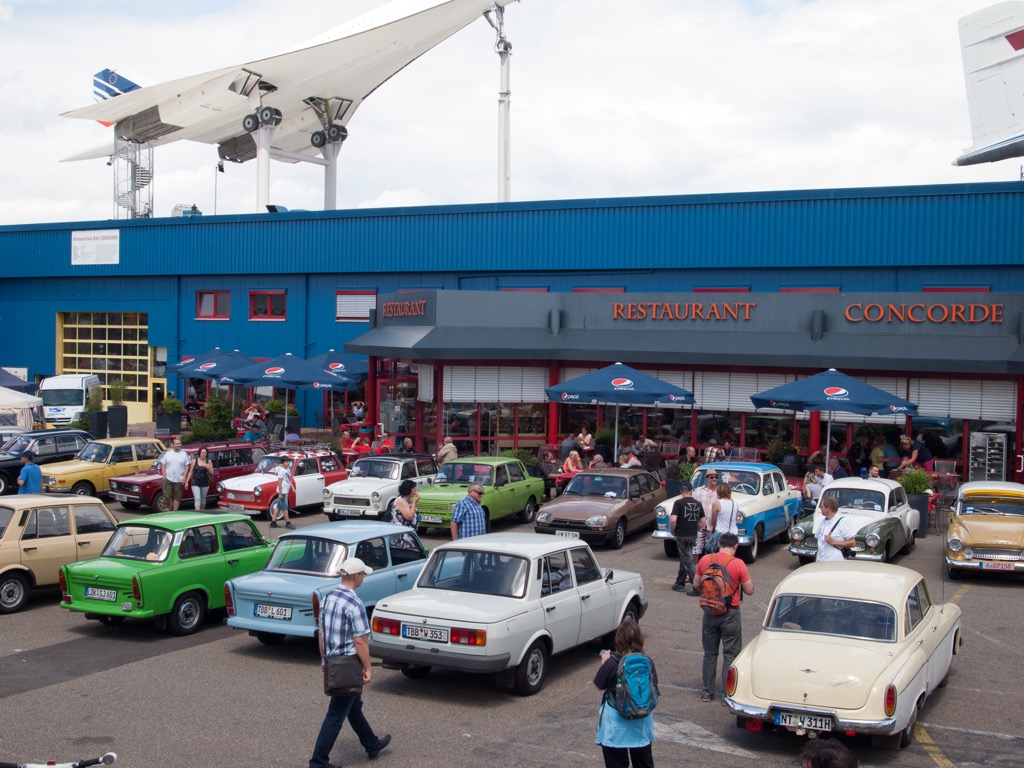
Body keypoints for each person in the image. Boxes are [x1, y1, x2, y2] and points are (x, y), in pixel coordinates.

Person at [308, 557, 391, 768]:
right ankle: (318, 762)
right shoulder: (355, 604)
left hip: (333, 661)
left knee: (352, 706)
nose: (364, 578)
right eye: (363, 574)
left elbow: (321, 634)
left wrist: (324, 661)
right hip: (347, 665)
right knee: (336, 714)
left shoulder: (328, 598)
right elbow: (360, 641)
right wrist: (368, 667)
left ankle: (371, 744)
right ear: (356, 576)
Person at [694, 532, 754, 702]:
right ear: (735, 547)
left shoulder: (705, 560)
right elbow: (749, 591)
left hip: (710, 611)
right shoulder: (738, 564)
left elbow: (696, 583)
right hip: (730, 613)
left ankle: (707, 692)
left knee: (710, 654)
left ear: (719, 544)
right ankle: (727, 694)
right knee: (730, 654)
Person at [593, 620, 656, 768]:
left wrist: (604, 663)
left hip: (615, 727)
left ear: (618, 640)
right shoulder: (647, 662)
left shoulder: (612, 662)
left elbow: (599, 685)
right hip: (641, 723)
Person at [670, 482, 704, 594]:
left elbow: (673, 519)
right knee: (685, 558)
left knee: (688, 560)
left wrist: (673, 530)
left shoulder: (678, 503)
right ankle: (679, 583)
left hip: (682, 534)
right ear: (691, 491)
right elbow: (703, 520)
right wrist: (697, 527)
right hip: (693, 534)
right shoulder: (698, 504)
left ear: (681, 492)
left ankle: (698, 586)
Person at [814, 496, 857, 562]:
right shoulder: (823, 521)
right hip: (820, 561)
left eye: (821, 507)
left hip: (835, 563)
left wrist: (833, 542)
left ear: (828, 508)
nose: (820, 508)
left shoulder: (843, 522)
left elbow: (852, 543)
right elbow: (819, 542)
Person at [159, 438, 191, 511]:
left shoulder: (184, 454)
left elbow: (187, 465)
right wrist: (164, 476)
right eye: (177, 444)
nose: (179, 445)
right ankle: (168, 508)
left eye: (179, 444)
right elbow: (163, 464)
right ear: (172, 445)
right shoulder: (168, 454)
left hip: (179, 480)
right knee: (167, 496)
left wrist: (184, 477)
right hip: (168, 479)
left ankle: (174, 511)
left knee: (177, 497)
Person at [693, 470, 720, 554]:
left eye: (716, 477)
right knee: (696, 549)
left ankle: (711, 566)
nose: (714, 479)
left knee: (712, 550)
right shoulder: (698, 491)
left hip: (713, 525)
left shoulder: (720, 492)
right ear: (706, 478)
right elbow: (693, 507)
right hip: (700, 524)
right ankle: (695, 567)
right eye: (711, 477)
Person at [708, 482, 739, 551]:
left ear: (719, 492)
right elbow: (736, 518)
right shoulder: (735, 503)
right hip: (733, 533)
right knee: (730, 554)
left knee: (713, 552)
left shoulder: (717, 504)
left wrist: (713, 529)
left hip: (721, 533)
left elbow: (713, 520)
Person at [183, 446, 214, 511]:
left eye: (205, 453)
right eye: (202, 452)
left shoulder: (208, 461)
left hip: (204, 482)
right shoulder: (195, 461)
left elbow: (212, 472)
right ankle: (197, 512)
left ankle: (202, 512)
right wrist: (186, 482)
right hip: (195, 482)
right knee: (197, 498)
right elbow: (190, 472)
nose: (203, 454)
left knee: (203, 499)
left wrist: (207, 466)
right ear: (199, 453)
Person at [270, 456, 295, 529]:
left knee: (278, 506)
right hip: (282, 491)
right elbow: (279, 482)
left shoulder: (287, 470)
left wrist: (293, 488)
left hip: (286, 490)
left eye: (288, 462)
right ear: (283, 463)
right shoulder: (281, 471)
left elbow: (289, 479)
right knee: (284, 507)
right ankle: (288, 523)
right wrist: (280, 493)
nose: (288, 463)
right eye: (286, 462)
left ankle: (273, 522)